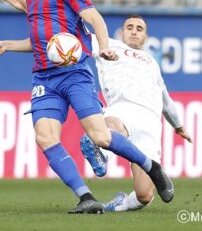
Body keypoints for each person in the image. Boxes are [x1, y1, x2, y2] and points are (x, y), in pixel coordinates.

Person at [0, 0, 175, 214]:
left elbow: (94, 18)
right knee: (45, 137)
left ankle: (152, 168)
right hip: (44, 79)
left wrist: (105, 47)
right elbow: (43, 44)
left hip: (74, 73)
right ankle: (86, 197)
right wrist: (7, 45)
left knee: (99, 136)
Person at [81, 15, 193, 212]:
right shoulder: (107, 45)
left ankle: (117, 206)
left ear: (145, 37)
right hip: (121, 107)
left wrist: (178, 126)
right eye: (129, 27)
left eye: (139, 29)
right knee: (111, 127)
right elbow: (73, 30)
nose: (134, 31)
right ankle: (101, 154)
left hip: (150, 121)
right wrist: (32, 10)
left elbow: (165, 99)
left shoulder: (151, 62)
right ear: (121, 32)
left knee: (144, 195)